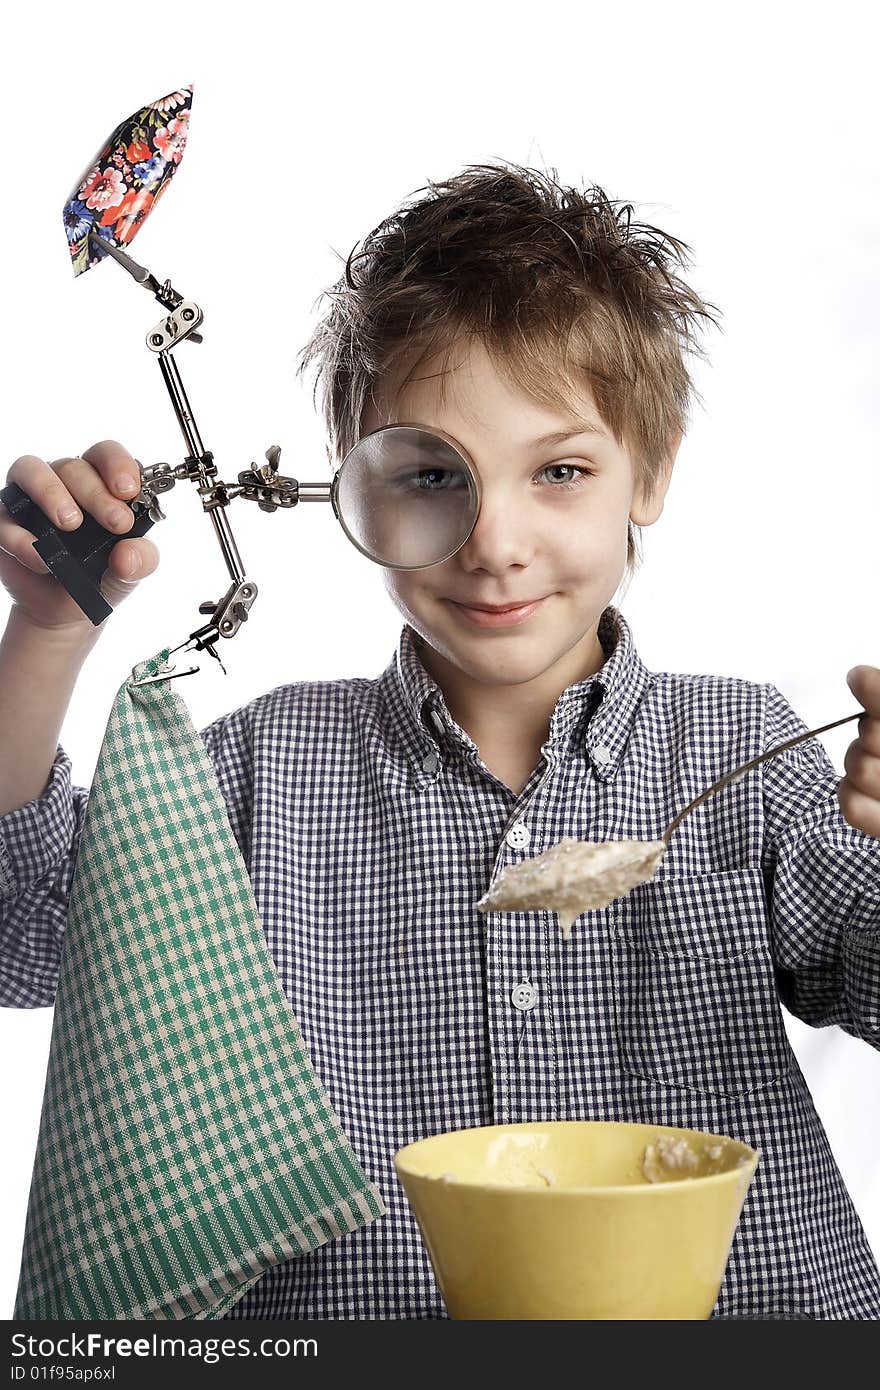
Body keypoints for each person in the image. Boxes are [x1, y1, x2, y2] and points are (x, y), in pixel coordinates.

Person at [1, 163, 879, 1320]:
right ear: (349, 489)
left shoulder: (744, 748)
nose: (495, 543)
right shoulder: (260, 773)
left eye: (559, 471)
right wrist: (49, 629)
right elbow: (25, 925)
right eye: (430, 478)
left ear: (648, 472)